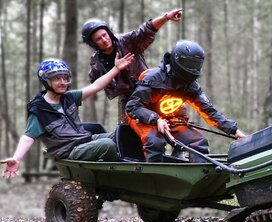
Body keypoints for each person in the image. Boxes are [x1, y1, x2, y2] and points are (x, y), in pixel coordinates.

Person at [1, 53, 135, 179]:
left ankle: (132, 163)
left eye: (65, 78)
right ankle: (114, 177)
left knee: (120, 135)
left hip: (85, 140)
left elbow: (95, 86)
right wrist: (16, 158)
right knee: (107, 144)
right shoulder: (39, 110)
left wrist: (116, 69)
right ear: (46, 81)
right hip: (70, 150)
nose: (63, 82)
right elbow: (28, 137)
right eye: (57, 78)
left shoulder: (68, 98)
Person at [125, 40, 246, 163]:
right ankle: (155, 179)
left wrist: (234, 130)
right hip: (142, 117)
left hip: (168, 118)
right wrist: (156, 119)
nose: (193, 68)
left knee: (198, 142)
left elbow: (209, 111)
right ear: (178, 60)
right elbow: (132, 107)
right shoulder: (153, 79)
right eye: (190, 63)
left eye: (196, 65)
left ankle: (198, 178)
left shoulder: (190, 87)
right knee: (155, 142)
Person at [81, 8, 182, 124]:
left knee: (175, 117)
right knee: (125, 131)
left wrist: (166, 17)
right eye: (98, 39)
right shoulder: (96, 61)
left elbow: (146, 30)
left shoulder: (126, 41)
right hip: (127, 98)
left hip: (149, 88)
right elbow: (95, 82)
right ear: (93, 43)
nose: (104, 40)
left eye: (104, 35)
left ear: (109, 33)